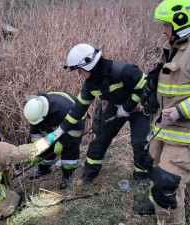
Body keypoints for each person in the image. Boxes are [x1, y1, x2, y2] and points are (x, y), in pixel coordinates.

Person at [132, 0, 190, 224]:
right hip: (164, 129)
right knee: (154, 170)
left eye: (166, 24)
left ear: (181, 22)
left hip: (188, 135)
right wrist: (149, 99)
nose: (163, 29)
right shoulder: (174, 45)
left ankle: (169, 218)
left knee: (167, 185)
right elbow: (167, 82)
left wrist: (179, 112)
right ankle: (156, 207)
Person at [49, 43, 153, 186]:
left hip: (138, 108)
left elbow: (146, 86)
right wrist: (61, 130)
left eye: (79, 70)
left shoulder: (123, 70)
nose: (79, 74)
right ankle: (89, 173)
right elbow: (77, 109)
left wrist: (129, 106)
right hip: (116, 107)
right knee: (101, 138)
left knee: (140, 140)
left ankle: (142, 174)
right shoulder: (90, 85)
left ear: (88, 65)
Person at [23, 92, 85, 189]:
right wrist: (37, 152)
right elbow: (36, 135)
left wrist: (62, 142)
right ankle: (44, 169)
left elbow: (77, 130)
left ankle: (68, 176)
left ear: (44, 115)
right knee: (47, 143)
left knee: (70, 147)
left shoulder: (65, 109)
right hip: (53, 121)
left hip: (74, 122)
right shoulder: (35, 112)